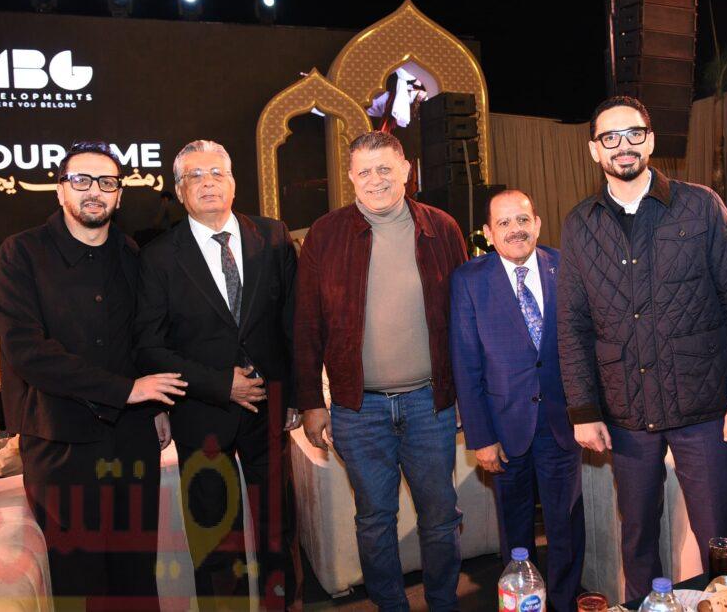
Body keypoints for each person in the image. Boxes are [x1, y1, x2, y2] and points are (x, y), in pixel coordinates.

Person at [557, 96, 727, 600]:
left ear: (650, 140)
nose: (623, 145)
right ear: (594, 150)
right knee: (637, 539)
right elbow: (572, 325)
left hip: (704, 409)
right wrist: (584, 410)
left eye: (634, 133)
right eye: (610, 137)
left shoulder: (702, 205)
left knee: (719, 539)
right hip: (626, 414)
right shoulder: (580, 224)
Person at [0, 140, 183, 609]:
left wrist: (153, 405)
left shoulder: (133, 254)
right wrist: (126, 390)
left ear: (119, 195)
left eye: (106, 182)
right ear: (60, 190)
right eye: (81, 180)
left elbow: (143, 340)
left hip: (132, 438)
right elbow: (27, 352)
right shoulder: (21, 253)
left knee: (137, 574)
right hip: (60, 442)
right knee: (81, 581)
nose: (94, 191)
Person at [295, 130, 467, 611]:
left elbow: (465, 318)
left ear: (407, 170)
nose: (376, 180)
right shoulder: (325, 235)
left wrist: (467, 396)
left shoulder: (442, 229)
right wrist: (311, 402)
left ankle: (444, 603)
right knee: (374, 520)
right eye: (365, 171)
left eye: (386, 168)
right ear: (350, 177)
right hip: (358, 408)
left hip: (430, 404)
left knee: (441, 518)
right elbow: (306, 325)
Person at [134, 140, 299, 609]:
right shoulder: (158, 257)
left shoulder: (273, 236)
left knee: (279, 531)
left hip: (269, 409)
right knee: (215, 541)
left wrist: (298, 395)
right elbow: (149, 347)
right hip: (200, 413)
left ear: (233, 183)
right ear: (179, 190)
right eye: (195, 176)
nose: (207, 183)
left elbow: (293, 322)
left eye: (216, 173)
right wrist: (220, 384)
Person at [450, 189, 584, 611]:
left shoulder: (566, 266)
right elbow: (466, 365)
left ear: (538, 224)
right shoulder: (469, 281)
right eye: (504, 223)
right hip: (504, 428)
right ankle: (523, 603)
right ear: (488, 233)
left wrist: (589, 413)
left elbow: (586, 345)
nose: (515, 230)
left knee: (565, 526)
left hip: (562, 423)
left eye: (523, 220)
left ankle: (563, 602)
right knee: (516, 528)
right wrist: (481, 437)